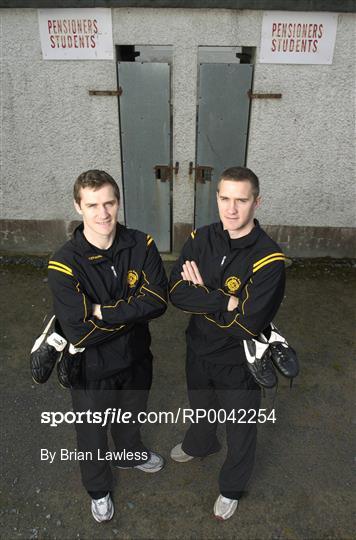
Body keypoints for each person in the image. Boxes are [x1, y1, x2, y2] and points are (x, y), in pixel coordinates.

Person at [47, 170, 168, 523]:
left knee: (131, 416)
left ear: (118, 202)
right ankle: (98, 489)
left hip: (136, 358)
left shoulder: (141, 244)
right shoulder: (64, 262)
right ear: (78, 207)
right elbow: (79, 333)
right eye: (93, 205)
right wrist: (133, 310)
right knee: (92, 433)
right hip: (92, 368)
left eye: (109, 203)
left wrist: (100, 310)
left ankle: (129, 453)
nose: (103, 214)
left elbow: (159, 301)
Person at [169, 166, 286, 520]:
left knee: (240, 428)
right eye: (224, 198)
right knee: (201, 407)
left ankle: (232, 487)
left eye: (241, 200)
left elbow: (248, 324)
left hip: (239, 361)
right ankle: (201, 444)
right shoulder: (200, 238)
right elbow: (176, 291)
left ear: (256, 202)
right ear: (216, 198)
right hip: (198, 349)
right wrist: (225, 300)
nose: (230, 209)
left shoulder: (269, 259)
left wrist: (202, 293)